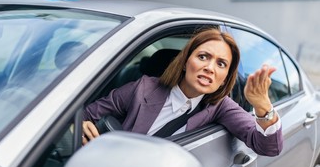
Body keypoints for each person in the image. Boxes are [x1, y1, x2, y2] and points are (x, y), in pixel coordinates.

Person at [82, 28, 282, 156]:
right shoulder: (142, 88)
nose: (210, 68)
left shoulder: (220, 108)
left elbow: (268, 147)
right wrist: (82, 126)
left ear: (225, 79)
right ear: (185, 62)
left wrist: (262, 106)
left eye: (221, 64)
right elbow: (85, 114)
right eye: (203, 57)